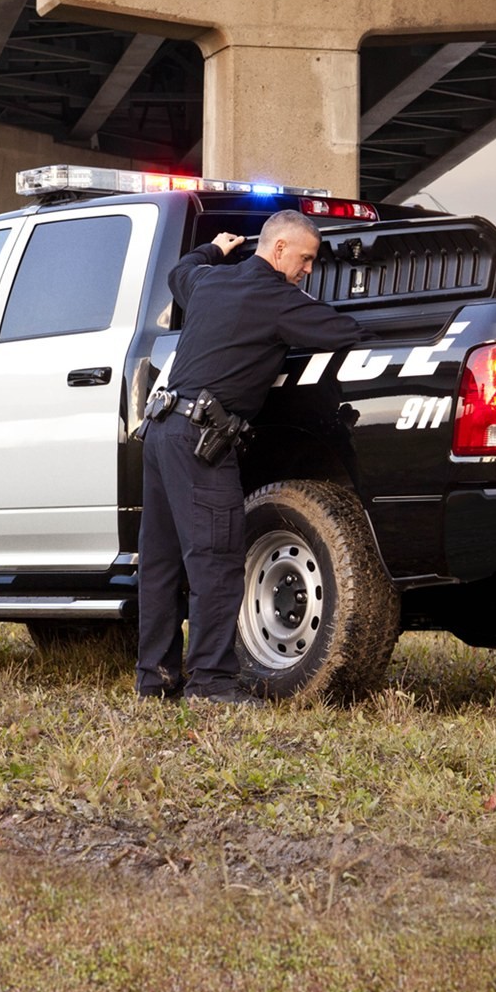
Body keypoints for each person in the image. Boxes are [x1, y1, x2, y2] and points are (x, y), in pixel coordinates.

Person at [137, 209, 368, 705]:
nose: (307, 270)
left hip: (161, 433)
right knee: (217, 564)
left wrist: (215, 247)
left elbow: (181, 272)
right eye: (304, 259)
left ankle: (154, 680)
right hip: (202, 442)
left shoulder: (210, 282)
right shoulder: (277, 299)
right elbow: (344, 331)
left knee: (160, 566)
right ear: (279, 248)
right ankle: (211, 683)